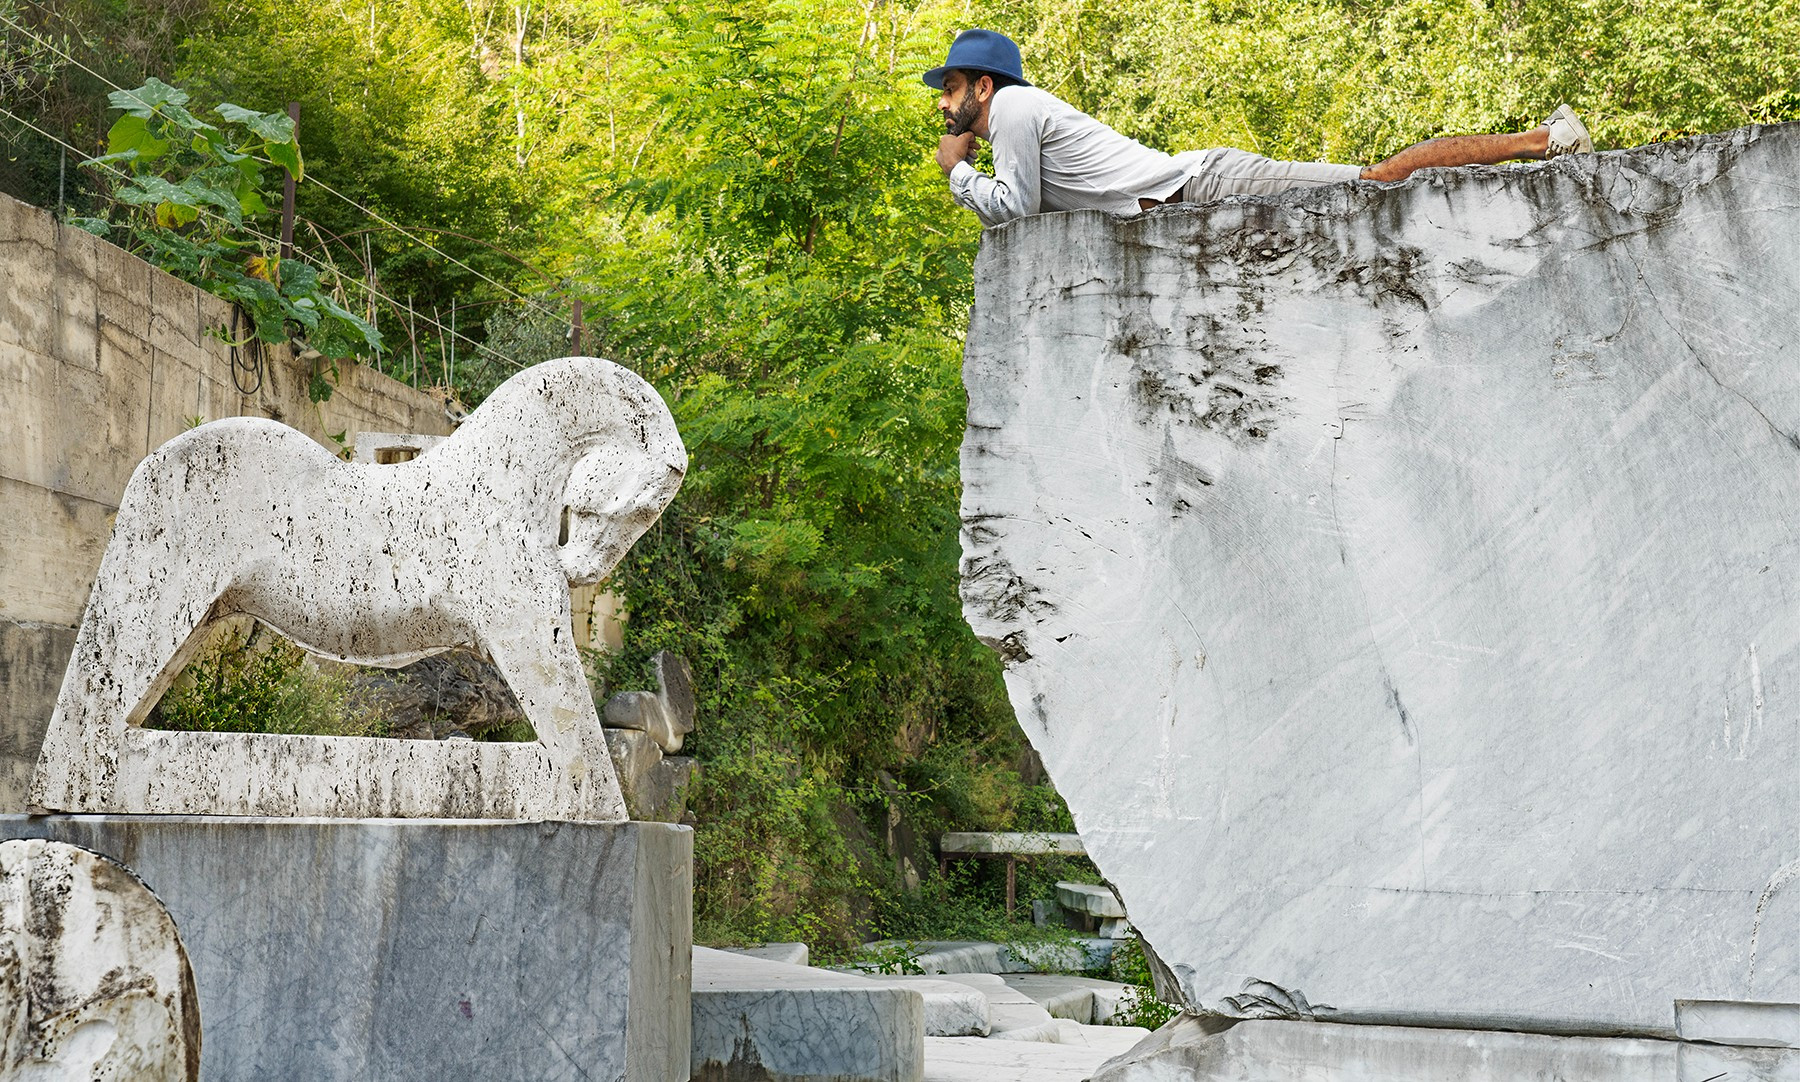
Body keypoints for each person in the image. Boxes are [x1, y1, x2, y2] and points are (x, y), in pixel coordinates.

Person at [925, 29, 1593, 227]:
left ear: (985, 87)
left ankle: (1544, 141)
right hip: (1188, 202)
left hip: (1207, 184)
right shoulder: (1017, 119)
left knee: (1378, 179)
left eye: (951, 89)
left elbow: (1017, 208)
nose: (944, 105)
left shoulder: (1013, 108)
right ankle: (1540, 142)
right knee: (1376, 182)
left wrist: (958, 171)